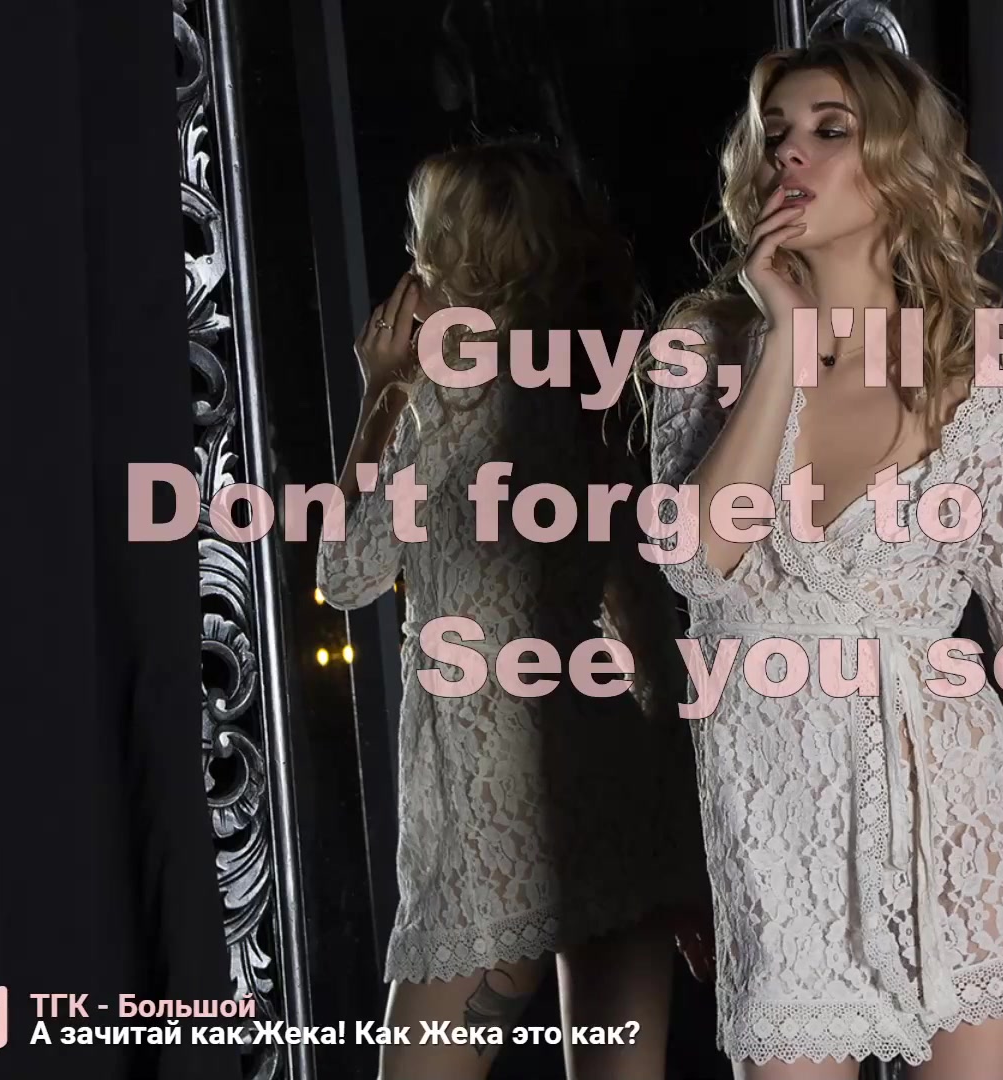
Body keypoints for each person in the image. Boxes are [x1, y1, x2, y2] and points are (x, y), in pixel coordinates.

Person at [640, 40, 1003, 1079]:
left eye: (831, 131)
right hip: (779, 844)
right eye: (775, 134)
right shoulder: (701, 352)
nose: (791, 155)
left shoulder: (974, 384)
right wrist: (783, 337)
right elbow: (696, 560)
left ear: (897, 166)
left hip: (965, 833)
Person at [319, 137, 710, 1080]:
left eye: (421, 237)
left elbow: (344, 573)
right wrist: (687, 846)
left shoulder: (437, 406)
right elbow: (649, 642)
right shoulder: (588, 403)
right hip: (610, 786)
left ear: (453, 253)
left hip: (488, 805)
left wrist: (380, 394)